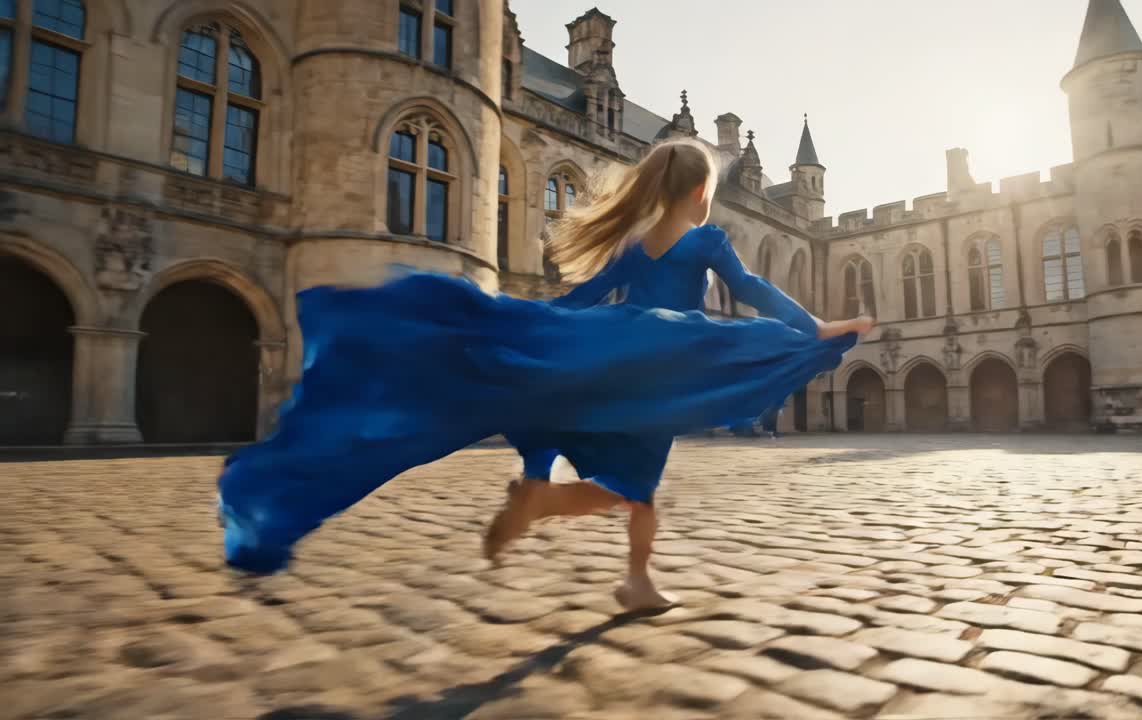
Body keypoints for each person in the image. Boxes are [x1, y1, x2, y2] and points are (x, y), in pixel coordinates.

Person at [216, 138, 874, 609]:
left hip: (614, 355)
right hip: (660, 365)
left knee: (618, 469)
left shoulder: (634, 244)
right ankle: (569, 522)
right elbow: (752, 288)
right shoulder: (708, 239)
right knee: (635, 487)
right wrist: (813, 327)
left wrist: (530, 324)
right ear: (702, 193)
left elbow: (582, 300)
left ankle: (605, 550)